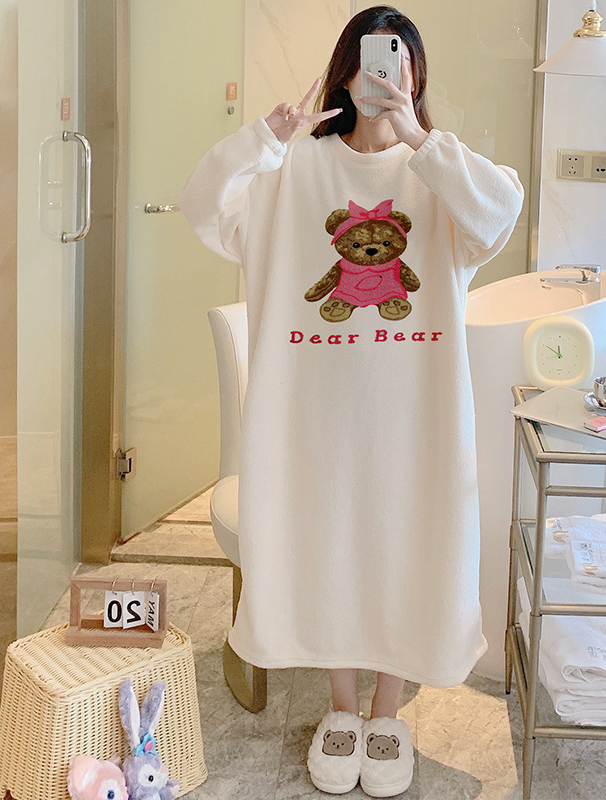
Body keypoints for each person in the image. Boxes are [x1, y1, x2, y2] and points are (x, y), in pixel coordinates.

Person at [179, 6, 523, 797]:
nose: (384, 73)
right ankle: (342, 708)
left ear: (415, 74)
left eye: (399, 60)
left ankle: (388, 711)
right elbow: (203, 206)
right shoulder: (291, 170)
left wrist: (419, 138)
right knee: (330, 544)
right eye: (373, 59)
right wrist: (264, 138)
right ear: (346, 70)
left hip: (417, 416)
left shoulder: (442, 169)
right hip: (315, 415)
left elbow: (498, 217)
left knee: (411, 547)